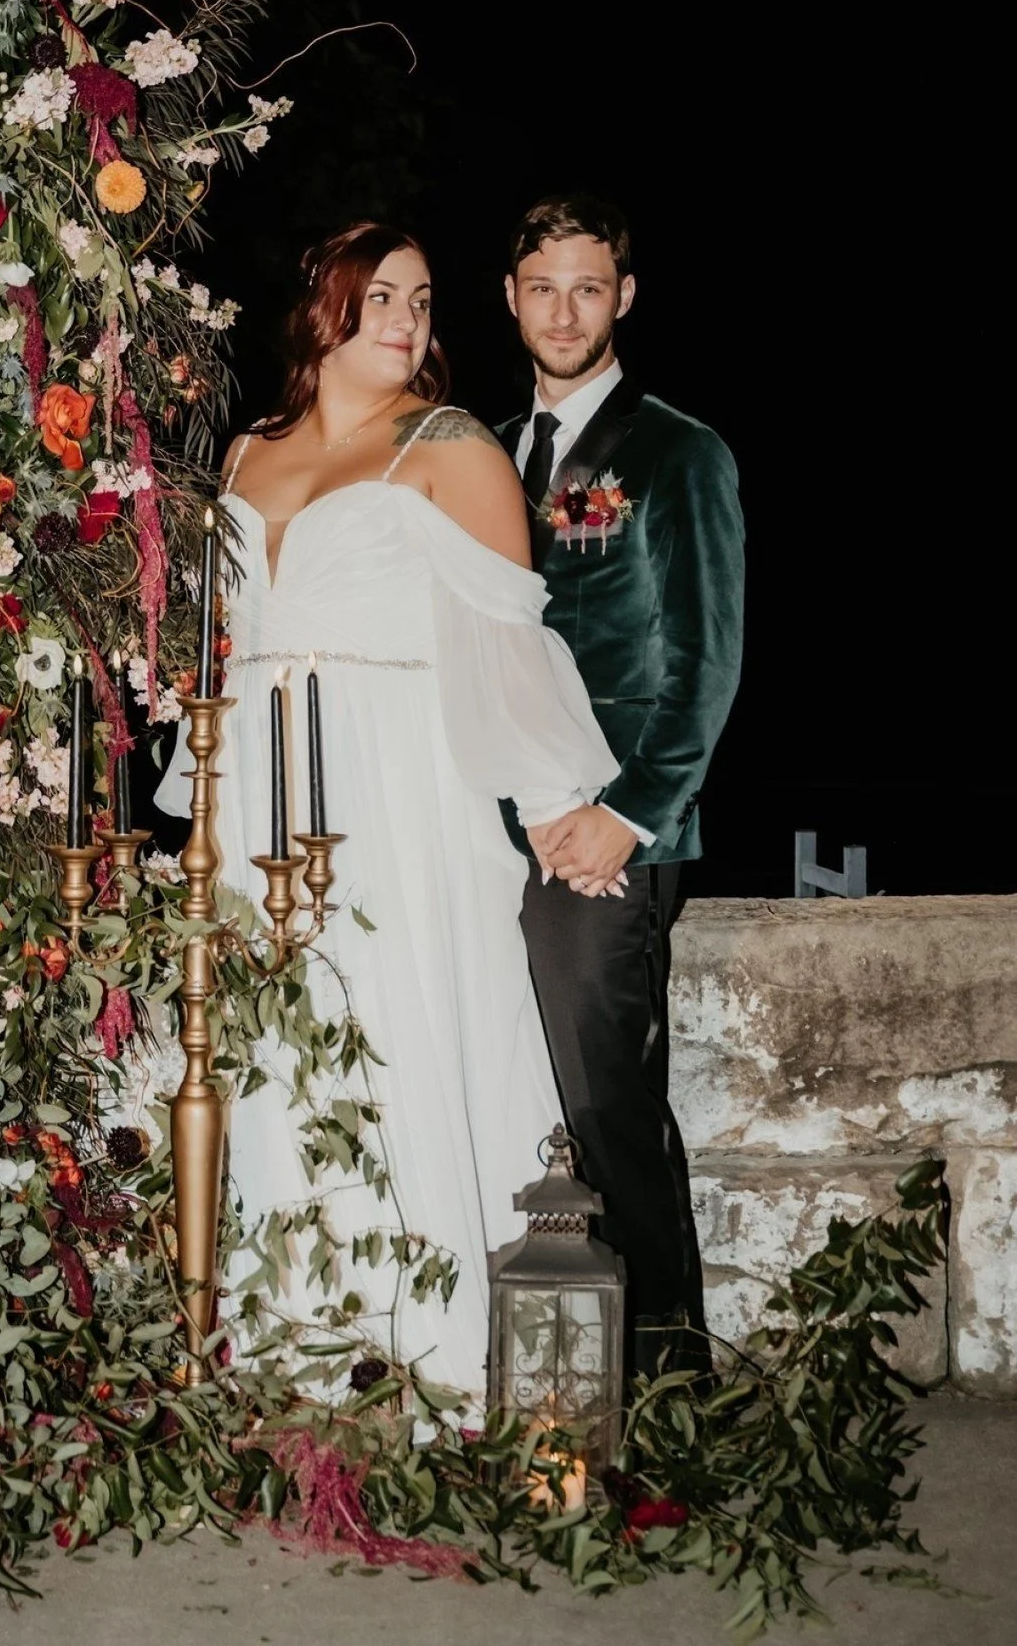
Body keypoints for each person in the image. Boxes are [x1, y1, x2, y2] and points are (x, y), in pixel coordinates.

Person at [156, 220, 618, 1408]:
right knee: (270, 1048)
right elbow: (220, 643)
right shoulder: (248, 450)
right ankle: (281, 1344)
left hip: (399, 784)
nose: (408, 320)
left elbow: (505, 638)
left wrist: (557, 807)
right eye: (380, 298)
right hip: (260, 778)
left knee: (400, 1023)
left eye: (420, 298)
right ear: (323, 309)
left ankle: (428, 1347)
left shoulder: (448, 445)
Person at [496, 193, 744, 1379]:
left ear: (623, 298)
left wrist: (628, 818)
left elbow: (705, 667)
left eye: (587, 287)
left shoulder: (676, 451)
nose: (563, 310)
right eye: (542, 287)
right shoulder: (485, 455)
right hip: (495, 822)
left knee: (605, 1109)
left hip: (610, 834)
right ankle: (539, 1371)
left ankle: (663, 1378)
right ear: (510, 298)